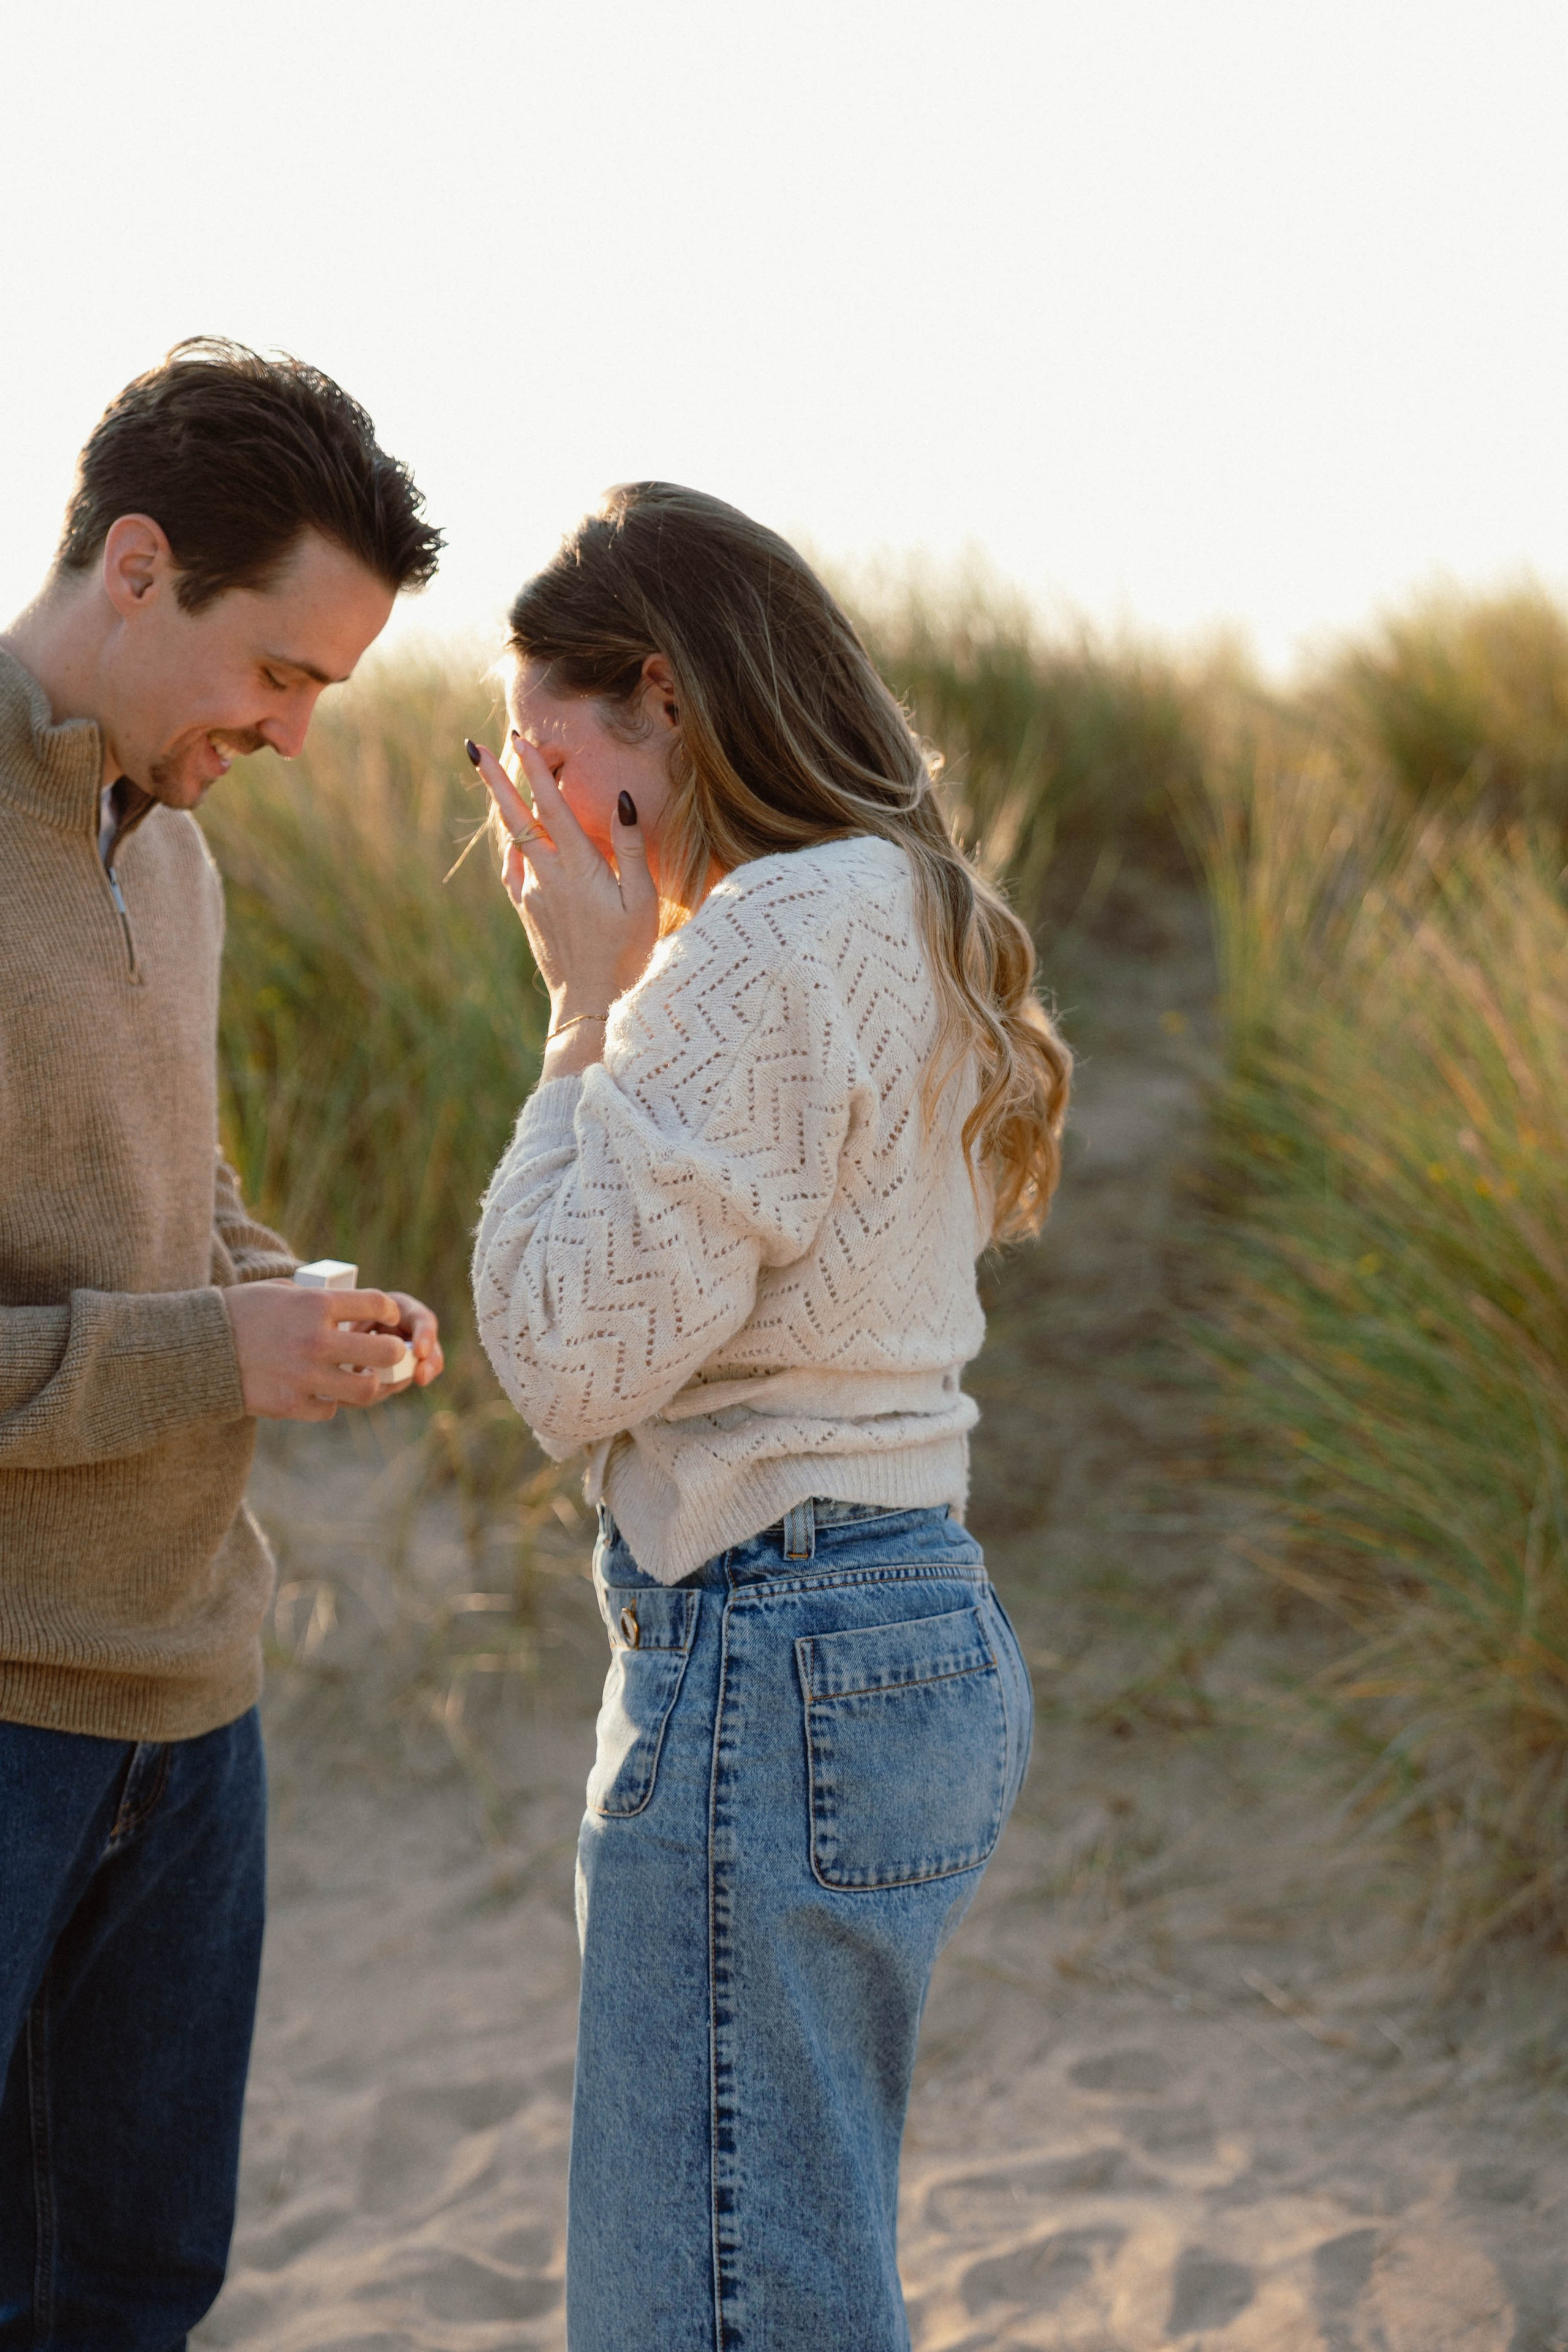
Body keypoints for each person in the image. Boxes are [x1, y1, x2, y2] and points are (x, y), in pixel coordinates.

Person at [467, 482, 1071, 2351]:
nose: (518, 788)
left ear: (657, 697)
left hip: (772, 1653)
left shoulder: (755, 945)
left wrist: (583, 1010)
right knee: (800, 2264)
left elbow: (564, 1354)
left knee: (713, 2307)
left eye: (535, 738)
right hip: (913, 1640)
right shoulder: (909, 905)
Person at [0, 338, 446, 2345]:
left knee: (139, 2288)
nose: (292, 735)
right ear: (139, 567)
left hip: (197, 1719)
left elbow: (168, 1201)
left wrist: (293, 1299)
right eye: (280, 675)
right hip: (5, 1716)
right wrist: (217, 1355)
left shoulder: (169, 849)